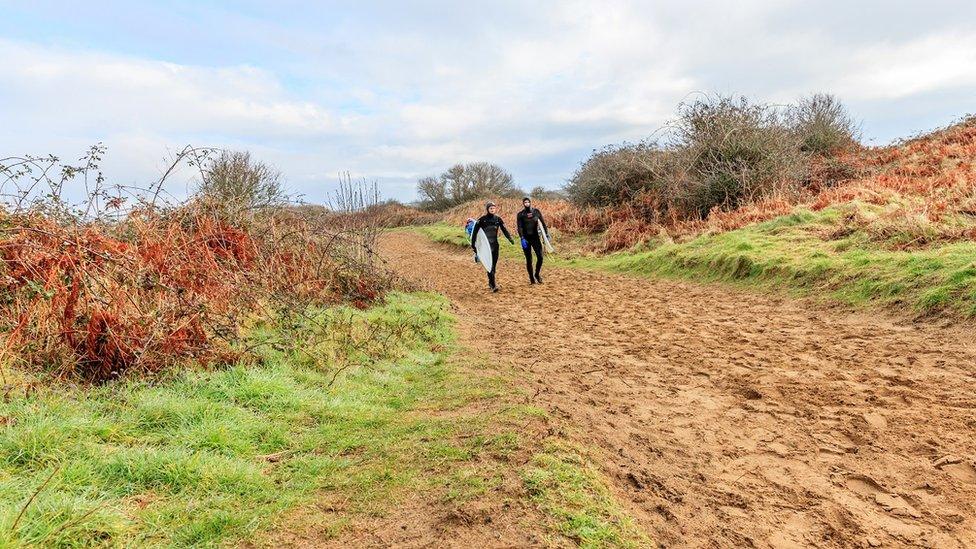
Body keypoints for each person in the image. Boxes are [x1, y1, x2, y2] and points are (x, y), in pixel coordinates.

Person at [470, 201, 515, 292]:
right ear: (487, 209)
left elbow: (504, 230)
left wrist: (509, 238)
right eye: (490, 208)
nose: (492, 209)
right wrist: (473, 244)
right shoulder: (482, 220)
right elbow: (475, 232)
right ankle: (493, 285)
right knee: (490, 265)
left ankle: (491, 282)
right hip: (486, 247)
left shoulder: (498, 219)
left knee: (493, 265)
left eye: (494, 208)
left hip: (495, 245)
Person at [516, 196, 549, 284]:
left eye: (528, 202)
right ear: (523, 203)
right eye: (525, 202)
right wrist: (522, 238)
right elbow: (519, 227)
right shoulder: (520, 214)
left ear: (531, 202)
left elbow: (543, 223)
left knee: (540, 257)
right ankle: (531, 278)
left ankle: (537, 274)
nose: (527, 203)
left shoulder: (536, 212)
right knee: (529, 259)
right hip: (526, 239)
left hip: (535, 238)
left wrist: (546, 234)